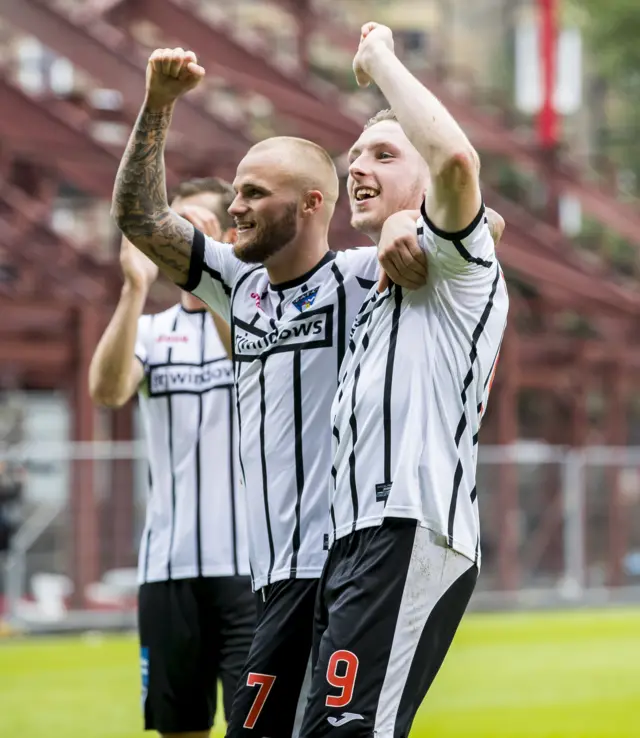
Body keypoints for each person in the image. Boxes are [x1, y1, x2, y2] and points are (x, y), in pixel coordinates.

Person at [110, 46, 433, 738]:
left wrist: (408, 221)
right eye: (236, 190)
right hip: (271, 576)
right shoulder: (236, 285)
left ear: (314, 203)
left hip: (348, 567)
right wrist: (159, 105)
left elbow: (480, 234)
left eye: (256, 193)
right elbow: (139, 217)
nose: (237, 206)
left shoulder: (357, 277)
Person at [297, 23, 509, 738]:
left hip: (410, 529)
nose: (355, 166)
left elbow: (455, 160)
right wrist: (400, 222)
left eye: (383, 154)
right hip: (355, 541)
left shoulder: (455, 268)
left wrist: (378, 57)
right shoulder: (382, 286)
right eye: (352, 154)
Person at [89, 178, 255, 738]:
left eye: (187, 225)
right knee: (179, 727)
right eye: (165, 226)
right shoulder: (153, 332)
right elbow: (108, 391)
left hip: (252, 568)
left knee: (259, 725)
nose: (170, 237)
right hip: (168, 567)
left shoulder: (257, 322)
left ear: (229, 235)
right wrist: (134, 288)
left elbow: (249, 353)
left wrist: (214, 275)